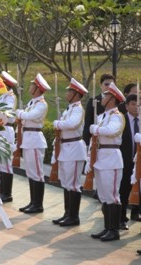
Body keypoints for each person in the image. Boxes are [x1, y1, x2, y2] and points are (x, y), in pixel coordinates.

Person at [88, 82, 125, 242]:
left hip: (112, 158)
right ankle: (106, 227)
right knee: (103, 195)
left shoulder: (117, 116)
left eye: (105, 95)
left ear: (112, 98)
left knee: (112, 195)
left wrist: (95, 129)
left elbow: (112, 131)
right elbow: (94, 139)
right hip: (101, 157)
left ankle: (114, 230)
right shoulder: (102, 116)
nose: (102, 98)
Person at [51, 78, 88, 227]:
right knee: (66, 183)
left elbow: (72, 124)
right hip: (66, 148)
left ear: (76, 94)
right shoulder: (70, 108)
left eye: (70, 92)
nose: (67, 94)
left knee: (73, 184)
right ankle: (67, 213)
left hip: (74, 148)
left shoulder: (78, 109)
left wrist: (58, 124)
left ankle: (74, 216)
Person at [16, 73, 50, 214]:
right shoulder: (32, 103)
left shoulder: (41, 104)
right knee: (30, 172)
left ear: (37, 89)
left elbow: (28, 116)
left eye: (32, 85)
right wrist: (21, 114)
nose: (30, 87)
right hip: (28, 139)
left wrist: (20, 113)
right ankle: (32, 202)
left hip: (35, 139)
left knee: (37, 173)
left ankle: (38, 204)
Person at [119, 94, 139, 229]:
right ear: (126, 106)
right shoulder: (122, 120)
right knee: (124, 191)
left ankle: (136, 213)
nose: (136, 107)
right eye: (133, 104)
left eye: (138, 104)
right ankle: (121, 218)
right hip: (126, 161)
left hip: (140, 163)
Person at [0, 71, 17, 203]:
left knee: (6, 163)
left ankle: (7, 193)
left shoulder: (10, 97)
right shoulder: (1, 96)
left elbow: (6, 112)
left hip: (6, 130)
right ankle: (1, 191)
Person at [83, 74, 115, 146]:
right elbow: (87, 122)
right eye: (106, 84)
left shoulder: (117, 103)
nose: (109, 87)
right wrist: (86, 144)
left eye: (112, 84)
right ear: (101, 85)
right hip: (95, 141)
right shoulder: (93, 101)